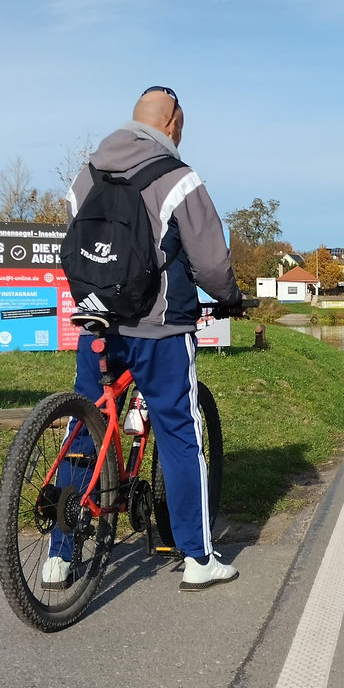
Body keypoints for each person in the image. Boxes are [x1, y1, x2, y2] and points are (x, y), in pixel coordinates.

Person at [45, 86, 244, 592]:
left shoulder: (86, 175)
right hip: (159, 329)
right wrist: (229, 297)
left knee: (85, 425)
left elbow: (77, 243)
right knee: (179, 430)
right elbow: (212, 263)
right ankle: (198, 558)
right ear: (173, 123)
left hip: (97, 324)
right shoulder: (178, 178)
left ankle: (58, 557)